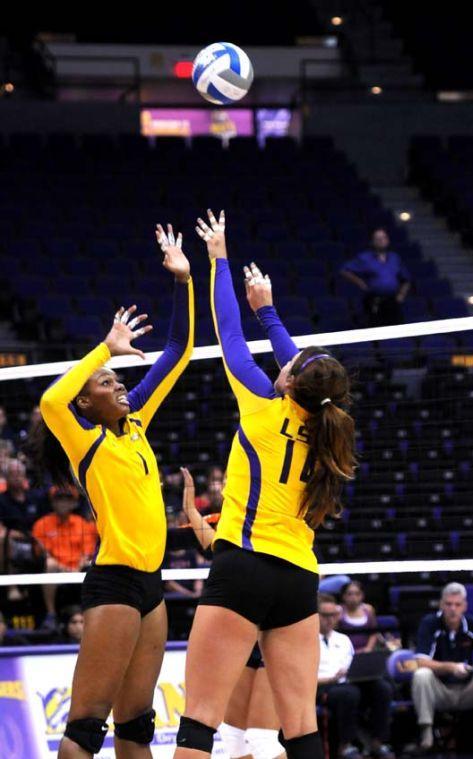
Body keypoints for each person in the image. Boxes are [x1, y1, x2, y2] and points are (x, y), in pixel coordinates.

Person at [173, 212, 356, 759]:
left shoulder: (260, 405)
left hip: (244, 567)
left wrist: (220, 258)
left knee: (199, 721)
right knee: (300, 730)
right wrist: (270, 312)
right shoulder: (332, 433)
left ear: (289, 380)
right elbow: (308, 373)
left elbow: (228, 331)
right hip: (299, 579)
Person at [32, 223, 194, 759]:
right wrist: (103, 349)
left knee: (136, 728)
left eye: (119, 381)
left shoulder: (137, 424)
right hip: (115, 584)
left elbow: (179, 347)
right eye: (107, 384)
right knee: (84, 730)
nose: (120, 386)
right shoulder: (86, 440)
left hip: (153, 586)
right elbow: (52, 402)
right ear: (88, 402)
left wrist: (183, 280)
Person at [180, 466, 286, 759]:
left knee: (261, 740)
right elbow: (213, 545)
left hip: (272, 632)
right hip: (239, 633)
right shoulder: (232, 523)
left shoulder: (268, 513)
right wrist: (189, 506)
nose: (225, 484)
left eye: (229, 478)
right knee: (234, 737)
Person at [411, 582, 473, 753]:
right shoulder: (429, 623)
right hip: (440, 689)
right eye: (449, 604)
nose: (453, 609)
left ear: (464, 606)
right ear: (441, 605)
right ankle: (426, 738)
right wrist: (451, 667)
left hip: (469, 688)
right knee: (421, 675)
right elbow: (421, 661)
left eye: (457, 605)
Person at [317, 594, 394, 759]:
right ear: (315, 616)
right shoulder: (306, 641)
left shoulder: (343, 639)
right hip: (322, 687)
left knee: (382, 688)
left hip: (348, 683)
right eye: (325, 615)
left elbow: (353, 665)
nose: (329, 620)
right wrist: (331, 679)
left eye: (333, 615)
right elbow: (303, 679)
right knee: (350, 693)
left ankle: (378, 742)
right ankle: (346, 746)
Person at [32, 484, 97, 627]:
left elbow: (87, 553)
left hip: (79, 569)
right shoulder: (41, 524)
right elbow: (42, 554)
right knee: (50, 564)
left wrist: (78, 566)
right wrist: (63, 567)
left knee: (91, 565)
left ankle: (92, 616)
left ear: (74, 503)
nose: (63, 502)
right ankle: (51, 614)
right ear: (52, 502)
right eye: (59, 498)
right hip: (56, 569)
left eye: (68, 498)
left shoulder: (82, 524)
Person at [340, 228, 411, 327]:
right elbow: (345, 270)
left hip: (393, 300)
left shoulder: (394, 257)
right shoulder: (364, 258)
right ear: (372, 242)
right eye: (378, 238)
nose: (381, 240)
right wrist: (360, 282)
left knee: (397, 330)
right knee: (376, 329)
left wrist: (401, 295)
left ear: (388, 240)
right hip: (374, 301)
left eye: (384, 237)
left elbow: (406, 278)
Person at [338, 580, 378, 653]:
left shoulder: (369, 609)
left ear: (362, 595)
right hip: (344, 652)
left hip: (366, 652)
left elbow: (374, 633)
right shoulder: (338, 611)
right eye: (349, 594)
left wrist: (368, 648)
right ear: (343, 596)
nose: (353, 597)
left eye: (357, 594)